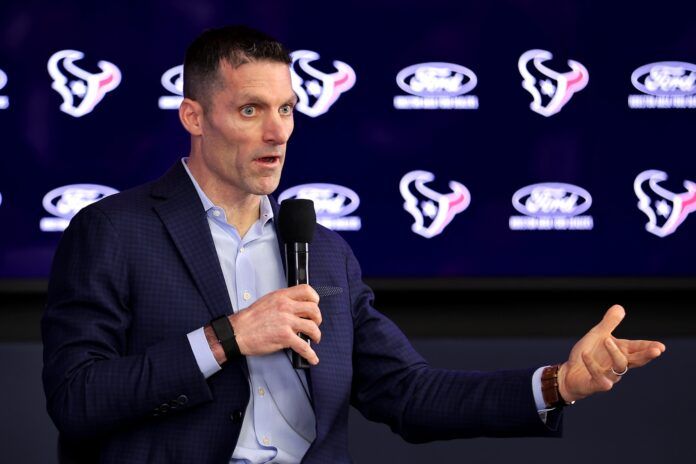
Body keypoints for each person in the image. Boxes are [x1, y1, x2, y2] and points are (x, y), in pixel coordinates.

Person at [41, 25, 665, 464]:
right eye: (251, 110)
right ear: (194, 117)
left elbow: (410, 395)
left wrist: (557, 385)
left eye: (287, 109)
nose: (277, 132)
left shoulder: (326, 252)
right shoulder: (112, 232)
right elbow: (77, 400)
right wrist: (225, 337)